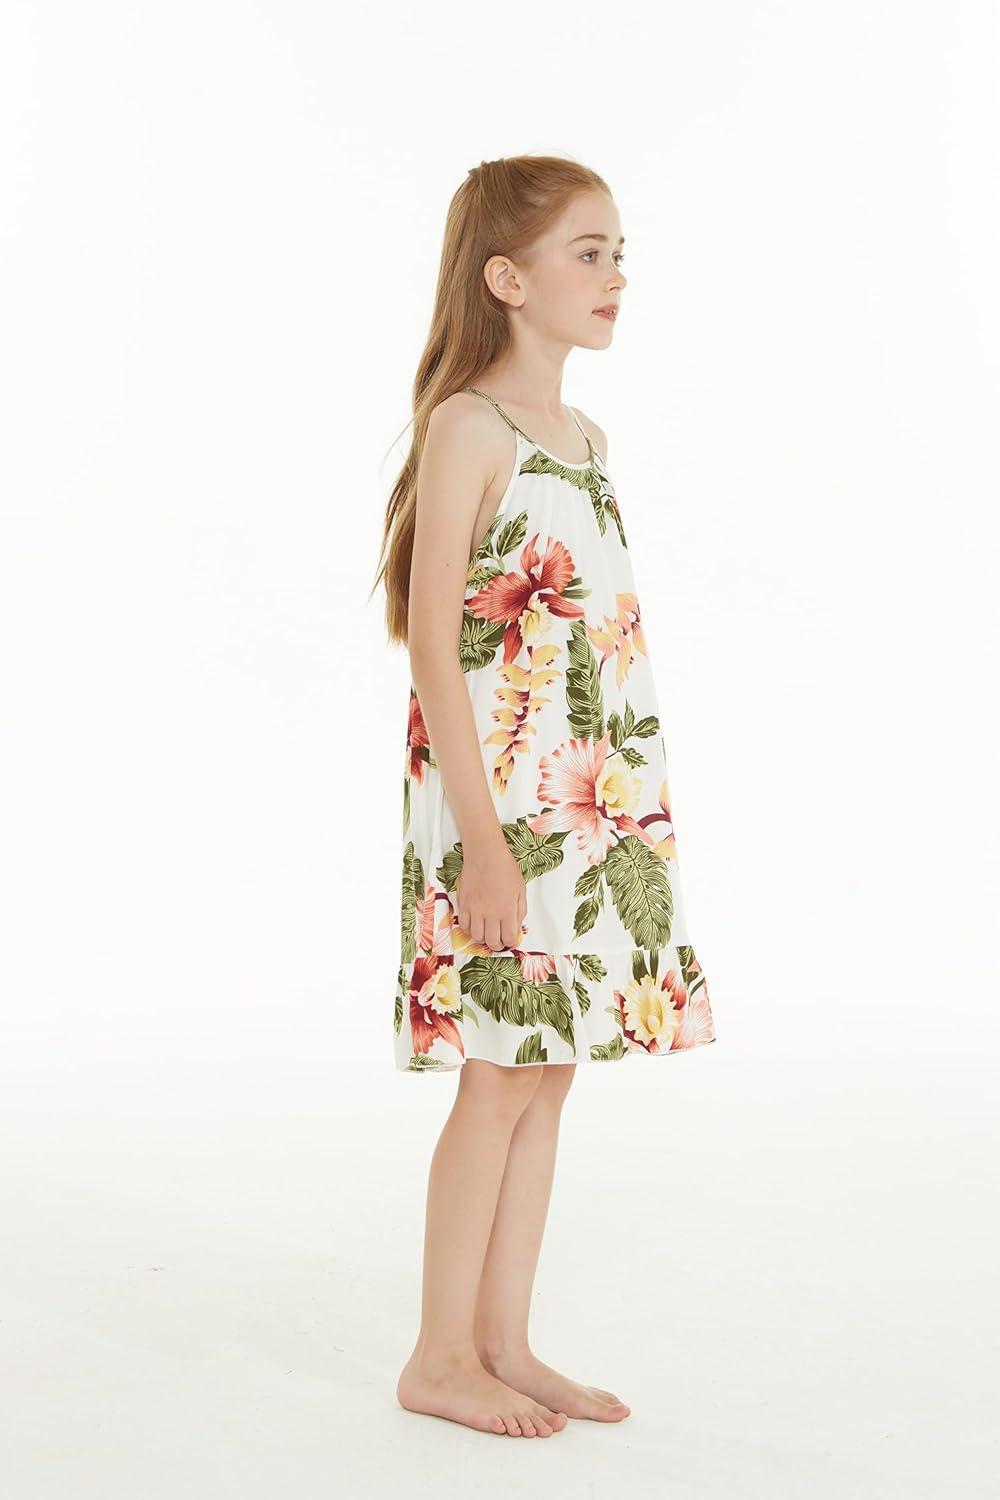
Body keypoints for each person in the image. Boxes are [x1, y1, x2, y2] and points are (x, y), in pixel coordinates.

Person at [371, 155, 718, 1439]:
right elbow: (432, 643)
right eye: (588, 252)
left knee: (549, 1068)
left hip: (587, 804)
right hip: (501, 809)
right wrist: (482, 842)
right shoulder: (470, 428)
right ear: (506, 279)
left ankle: (502, 1341)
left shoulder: (586, 440)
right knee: (497, 1074)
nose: (615, 275)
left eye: (621, 253)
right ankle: (436, 1356)